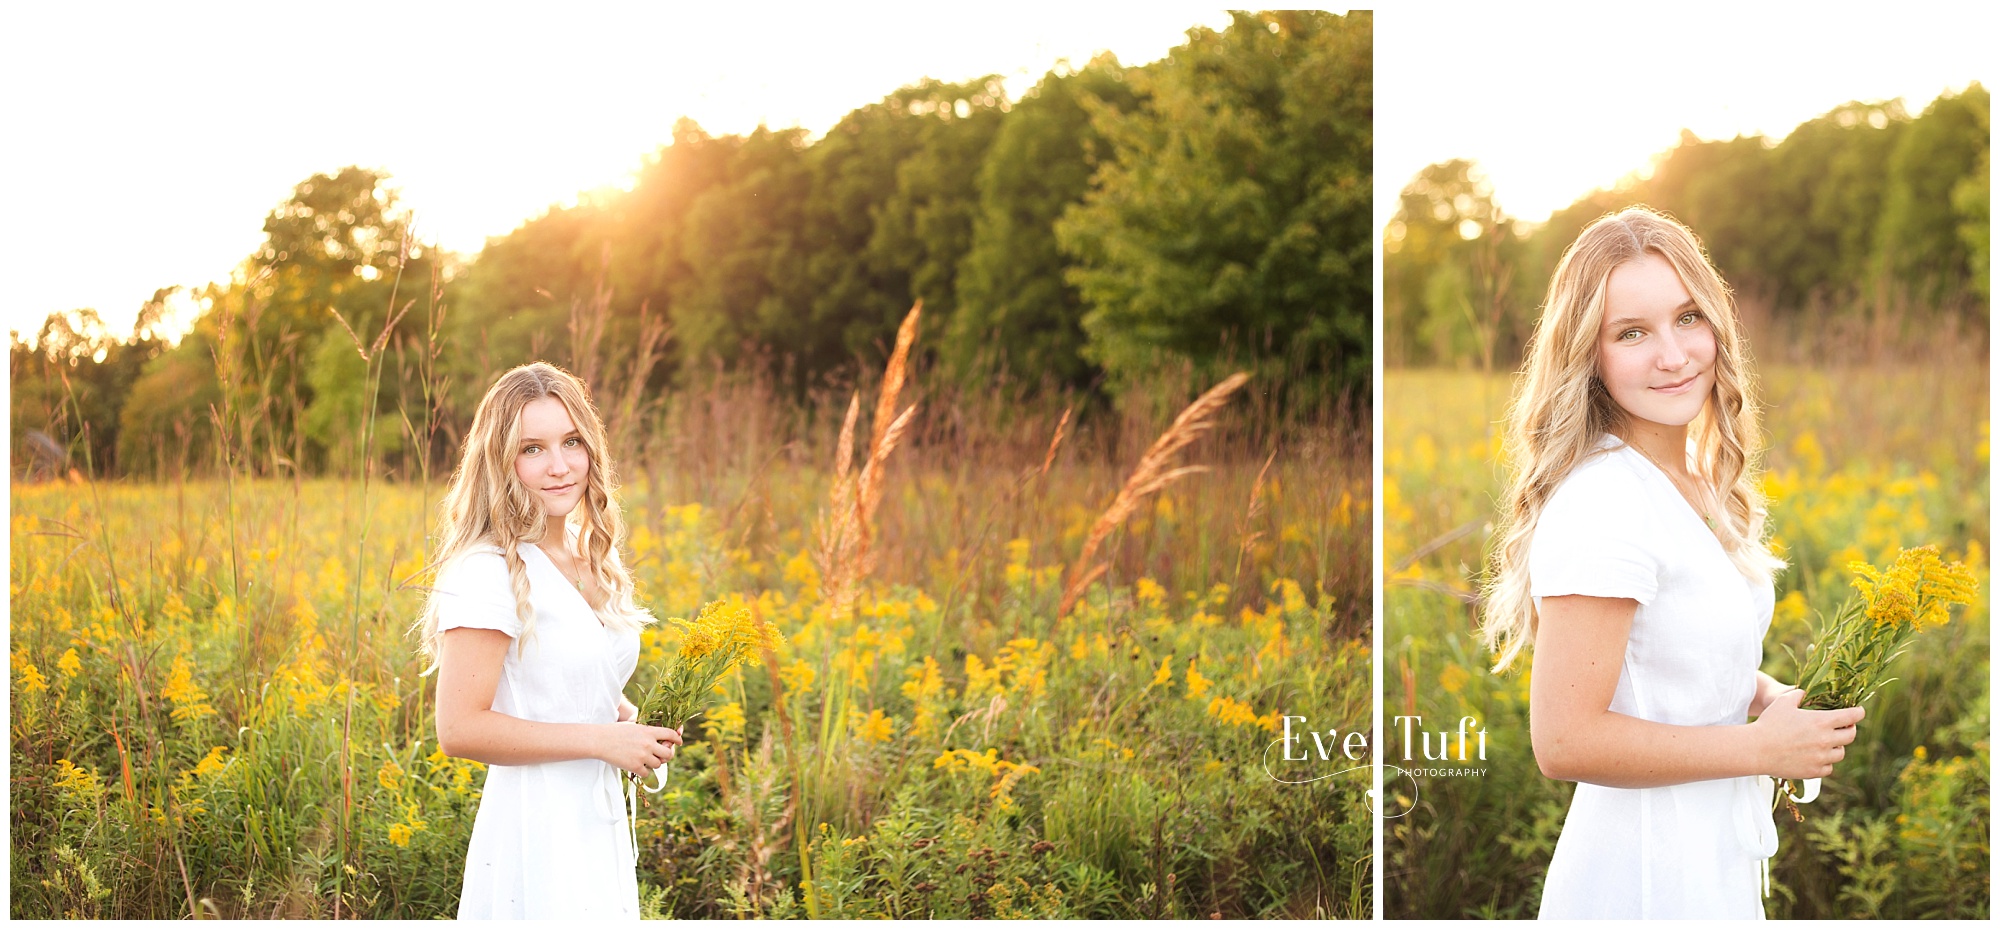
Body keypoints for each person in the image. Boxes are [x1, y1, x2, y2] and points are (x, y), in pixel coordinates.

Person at [1480, 208, 1864, 919]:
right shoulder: (1604, 500)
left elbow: (1668, 657)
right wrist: (1757, 750)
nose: (1674, 354)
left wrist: (1765, 697)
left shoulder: (1689, 473)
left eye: (1688, 317)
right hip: (1644, 880)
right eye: (1631, 333)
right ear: (1586, 355)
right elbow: (1563, 739)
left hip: (1710, 856)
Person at [414, 362, 682, 919]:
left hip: (595, 820)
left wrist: (632, 727)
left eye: (571, 442)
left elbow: (570, 686)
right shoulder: (486, 570)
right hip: (535, 826)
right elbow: (459, 728)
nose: (559, 467)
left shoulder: (591, 557)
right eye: (532, 448)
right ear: (499, 460)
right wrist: (601, 741)